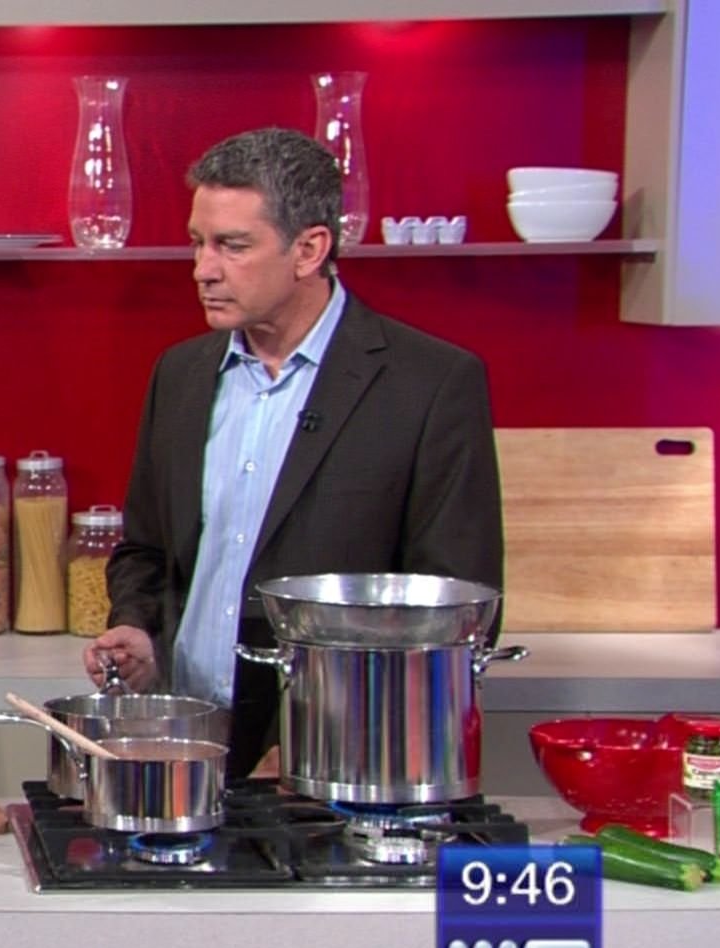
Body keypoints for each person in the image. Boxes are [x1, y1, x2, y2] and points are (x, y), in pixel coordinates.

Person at [86, 127, 504, 781]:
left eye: (232, 246)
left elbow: (454, 614)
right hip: (186, 744)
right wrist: (139, 630)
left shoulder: (429, 385)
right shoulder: (181, 374)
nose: (203, 269)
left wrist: (324, 739)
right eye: (198, 242)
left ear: (309, 249)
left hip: (340, 761)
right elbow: (146, 550)